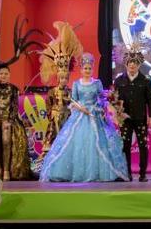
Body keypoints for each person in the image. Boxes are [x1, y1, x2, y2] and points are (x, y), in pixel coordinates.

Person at [39, 53, 129, 182]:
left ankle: (101, 172)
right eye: (85, 68)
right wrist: (81, 108)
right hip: (79, 117)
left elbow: (102, 99)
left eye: (89, 68)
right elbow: (73, 101)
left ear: (92, 69)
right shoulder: (76, 84)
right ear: (81, 69)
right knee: (76, 142)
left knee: (97, 142)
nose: (87, 71)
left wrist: (101, 105)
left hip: (94, 115)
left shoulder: (97, 83)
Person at [37, 21, 83, 159]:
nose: (63, 80)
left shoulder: (70, 90)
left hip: (67, 118)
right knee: (53, 138)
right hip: (55, 119)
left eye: (65, 78)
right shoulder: (52, 91)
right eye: (61, 78)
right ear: (57, 77)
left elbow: (73, 103)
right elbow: (49, 104)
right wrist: (52, 113)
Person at [112, 42, 151, 182]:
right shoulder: (119, 81)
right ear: (125, 64)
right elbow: (114, 99)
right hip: (125, 119)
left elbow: (150, 100)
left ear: (139, 65)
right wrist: (117, 112)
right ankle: (127, 173)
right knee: (125, 145)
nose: (132, 65)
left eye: (135, 63)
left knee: (143, 145)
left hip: (140, 118)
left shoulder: (145, 81)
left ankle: (143, 174)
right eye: (130, 63)